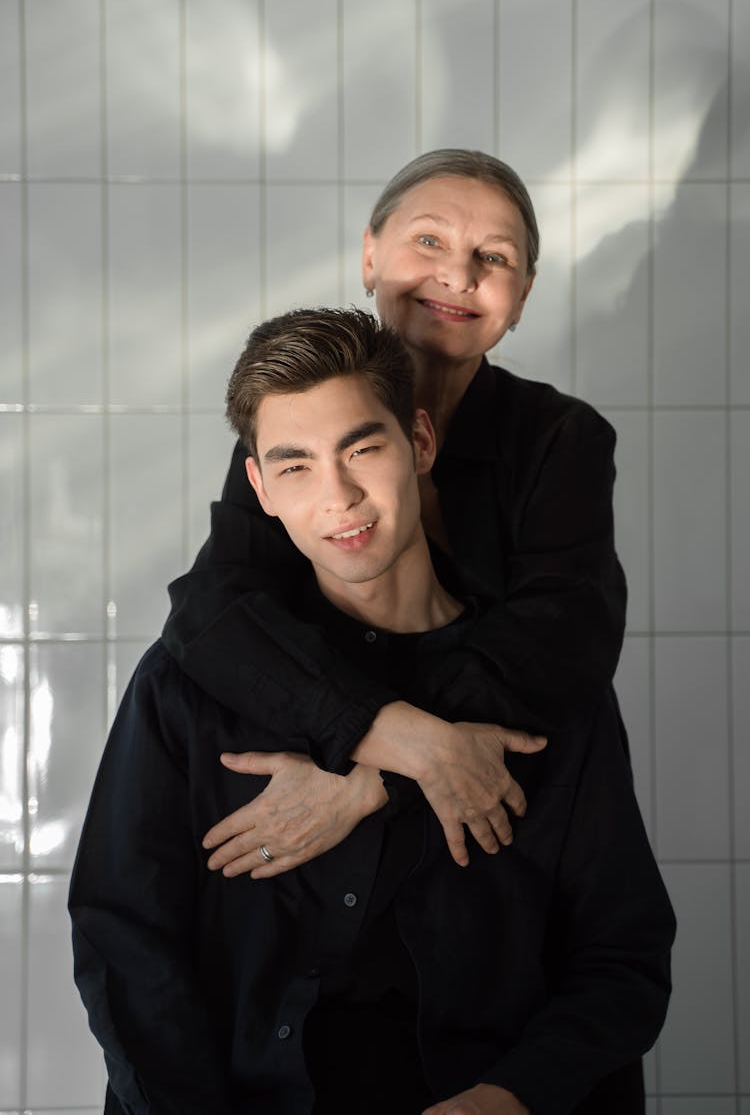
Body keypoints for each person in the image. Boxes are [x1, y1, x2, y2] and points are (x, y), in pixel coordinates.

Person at [70, 308, 675, 1115]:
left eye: (363, 449)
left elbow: (623, 955)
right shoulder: (187, 686)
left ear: (420, 443)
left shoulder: (547, 694)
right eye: (296, 467)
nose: (339, 497)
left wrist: (512, 1094)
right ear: (259, 489)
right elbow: (123, 940)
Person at [163, 149, 629, 883]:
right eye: (430, 241)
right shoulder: (297, 422)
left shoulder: (561, 439)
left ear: (525, 293)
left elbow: (561, 639)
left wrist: (369, 778)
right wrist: (397, 739)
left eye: (493, 257)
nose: (458, 275)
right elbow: (213, 612)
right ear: (370, 257)